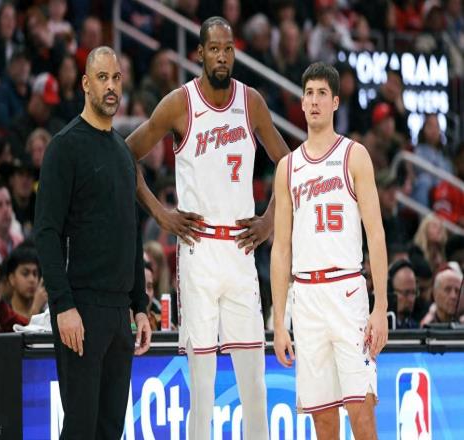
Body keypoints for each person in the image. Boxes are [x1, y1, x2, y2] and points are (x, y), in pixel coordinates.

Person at [126, 16, 289, 439]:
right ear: (199, 53)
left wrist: (270, 219)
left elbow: (289, 164)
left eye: (228, 49)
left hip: (240, 251)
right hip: (198, 252)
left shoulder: (251, 101)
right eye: (214, 48)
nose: (222, 56)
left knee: (254, 383)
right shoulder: (179, 103)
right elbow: (125, 155)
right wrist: (160, 214)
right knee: (202, 386)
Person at [34, 46, 151, 439]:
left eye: (116, 78)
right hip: (80, 308)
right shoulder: (64, 147)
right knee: (80, 428)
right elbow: (46, 232)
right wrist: (63, 305)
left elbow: (131, 232)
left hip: (119, 313)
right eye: (102, 78)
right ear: (86, 83)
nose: (111, 86)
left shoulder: (123, 152)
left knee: (110, 429)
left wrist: (140, 306)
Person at [271, 62, 388, 439]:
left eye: (322, 93)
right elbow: (280, 251)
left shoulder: (354, 155)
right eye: (309, 93)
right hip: (306, 298)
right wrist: (279, 323)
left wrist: (380, 306)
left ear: (335, 102)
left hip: (347, 292)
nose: (315, 100)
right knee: (322, 421)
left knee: (362, 415)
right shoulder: (288, 167)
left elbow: (376, 234)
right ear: (302, 102)